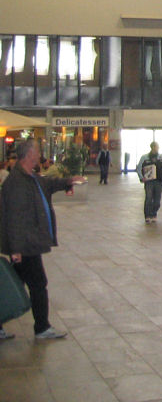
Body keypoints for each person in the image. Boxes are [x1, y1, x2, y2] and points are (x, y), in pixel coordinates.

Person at [0, 138, 84, 341]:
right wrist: (16, 249)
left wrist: (68, 181)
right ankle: (42, 327)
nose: (39, 155)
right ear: (29, 155)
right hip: (25, 245)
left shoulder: (30, 177)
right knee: (38, 283)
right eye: (37, 152)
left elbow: (47, 184)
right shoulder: (17, 183)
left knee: (13, 284)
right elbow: (13, 218)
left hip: (27, 243)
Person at [136, 142, 162, 223]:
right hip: (149, 181)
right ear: (152, 147)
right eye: (155, 147)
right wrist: (142, 177)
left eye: (157, 147)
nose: (156, 148)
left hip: (159, 181)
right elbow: (139, 168)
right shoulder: (144, 157)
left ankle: (154, 213)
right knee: (148, 198)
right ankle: (148, 215)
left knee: (157, 200)